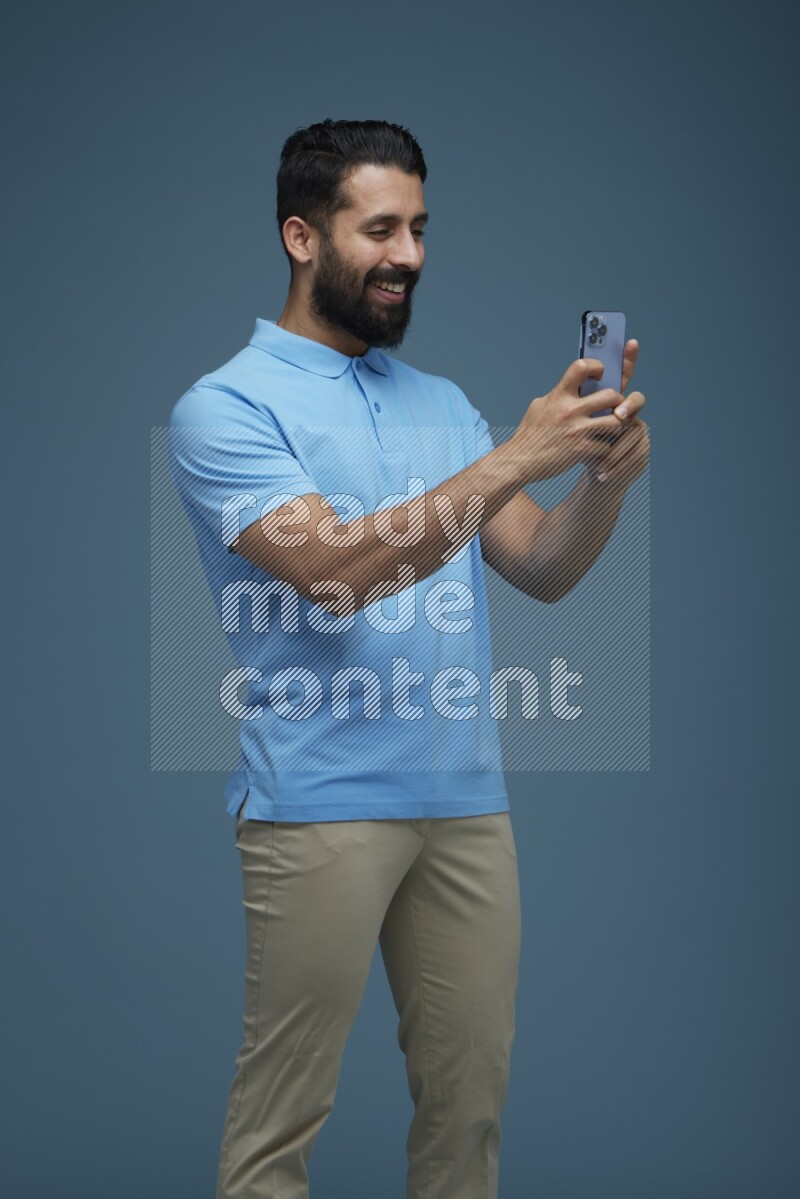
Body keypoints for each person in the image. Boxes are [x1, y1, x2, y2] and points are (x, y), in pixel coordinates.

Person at [167, 118, 649, 1199]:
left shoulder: (439, 405)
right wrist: (513, 455)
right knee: (278, 1129)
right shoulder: (225, 407)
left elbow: (540, 563)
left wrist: (598, 480)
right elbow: (333, 572)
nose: (409, 254)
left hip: (466, 804)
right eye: (378, 227)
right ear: (301, 236)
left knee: (467, 1108)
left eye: (419, 228)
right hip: (317, 805)